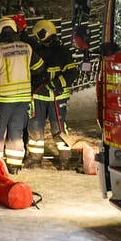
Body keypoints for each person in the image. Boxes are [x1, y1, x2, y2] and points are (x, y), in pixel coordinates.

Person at [0, 16, 46, 175]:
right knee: (16, 132)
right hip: (23, 100)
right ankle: (14, 165)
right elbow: (40, 69)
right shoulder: (27, 48)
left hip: (3, 99)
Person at [29, 19, 80, 170]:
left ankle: (64, 159)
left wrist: (56, 84)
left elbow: (72, 73)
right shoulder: (35, 51)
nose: (37, 39)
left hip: (57, 97)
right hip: (38, 97)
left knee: (58, 129)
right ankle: (35, 158)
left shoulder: (63, 52)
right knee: (35, 129)